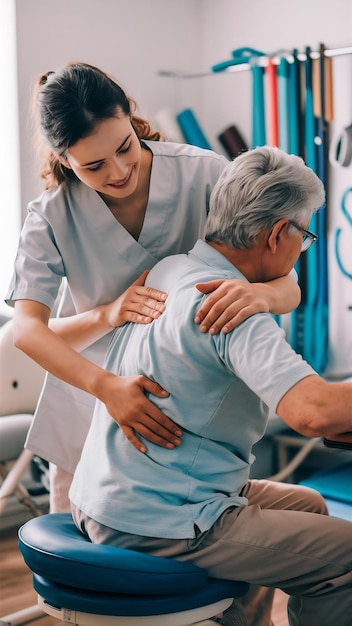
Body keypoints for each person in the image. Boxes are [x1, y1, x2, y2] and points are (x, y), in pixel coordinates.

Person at [70, 146, 352, 626]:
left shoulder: (172, 270)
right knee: (346, 555)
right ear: (278, 234)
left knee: (308, 503)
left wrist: (271, 290)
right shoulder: (227, 307)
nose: (301, 249)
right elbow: (314, 412)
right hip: (157, 520)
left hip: (109, 495)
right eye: (303, 237)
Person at [5, 63, 301, 514]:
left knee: (211, 561)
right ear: (64, 159)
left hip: (195, 421)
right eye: (94, 165)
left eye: (125, 146)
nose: (120, 170)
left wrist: (263, 296)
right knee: (82, 572)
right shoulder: (51, 216)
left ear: (129, 113)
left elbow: (287, 278)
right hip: (91, 415)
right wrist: (107, 358)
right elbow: (26, 331)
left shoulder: (205, 174)